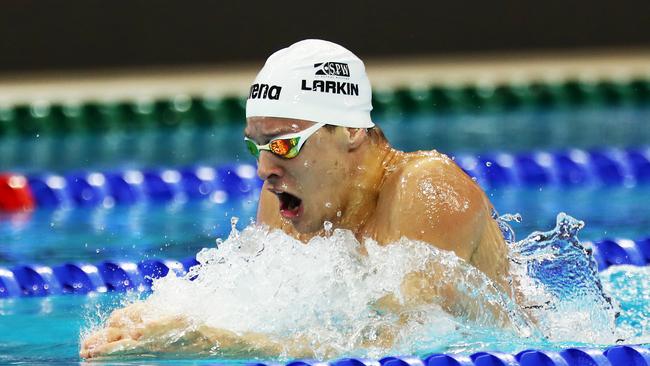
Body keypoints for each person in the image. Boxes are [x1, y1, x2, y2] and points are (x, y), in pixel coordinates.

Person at [80, 39, 515, 360]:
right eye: (257, 147)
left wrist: (210, 342)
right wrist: (160, 320)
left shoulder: (425, 189)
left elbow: (409, 343)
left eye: (284, 144)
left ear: (351, 130)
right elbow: (250, 296)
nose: (264, 169)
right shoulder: (288, 196)